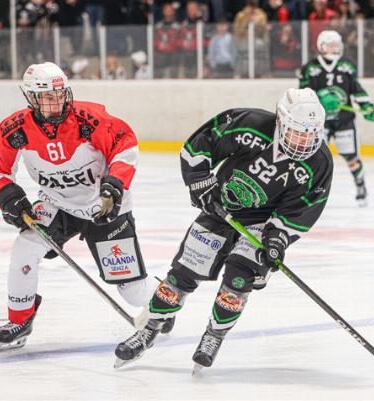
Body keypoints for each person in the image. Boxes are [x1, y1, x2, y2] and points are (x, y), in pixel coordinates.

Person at [113, 88, 333, 370]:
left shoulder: (319, 163)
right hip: (221, 209)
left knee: (238, 281)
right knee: (182, 276)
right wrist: (202, 184)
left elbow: (302, 209)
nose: (305, 141)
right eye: (298, 132)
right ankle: (149, 330)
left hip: (261, 225)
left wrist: (277, 239)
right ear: (282, 122)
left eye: (311, 133)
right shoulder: (250, 125)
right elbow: (199, 147)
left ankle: (213, 336)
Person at [0, 62, 154, 351]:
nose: (56, 102)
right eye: (48, 97)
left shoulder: (89, 119)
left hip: (104, 206)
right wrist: (8, 196)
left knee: (133, 291)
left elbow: (124, 143)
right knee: (25, 247)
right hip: (57, 204)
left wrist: (114, 183)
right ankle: (20, 319)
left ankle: (162, 302)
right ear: (32, 98)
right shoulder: (16, 128)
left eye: (60, 95)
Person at [298, 30, 374, 206]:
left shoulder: (347, 65)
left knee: (351, 157)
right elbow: (302, 95)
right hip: (319, 122)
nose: (334, 48)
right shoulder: (309, 68)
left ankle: (360, 186)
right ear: (321, 46)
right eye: (330, 45)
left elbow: (356, 88)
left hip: (344, 120)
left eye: (337, 45)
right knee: (314, 157)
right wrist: (317, 97)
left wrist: (367, 106)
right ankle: (309, 191)